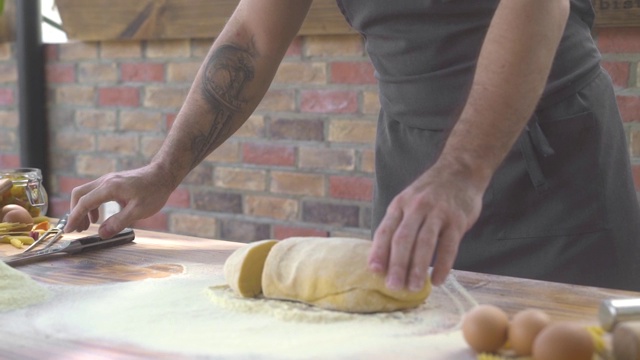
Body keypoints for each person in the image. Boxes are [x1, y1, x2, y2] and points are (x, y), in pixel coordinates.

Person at [64, 0, 640, 292]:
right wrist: (165, 169)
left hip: (551, 158)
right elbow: (252, 34)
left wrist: (463, 170)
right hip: (413, 159)